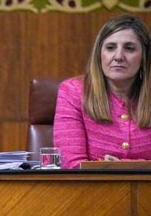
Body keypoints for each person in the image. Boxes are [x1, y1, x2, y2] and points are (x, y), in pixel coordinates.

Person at [54, 14, 151, 169]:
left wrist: (119, 166)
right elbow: (72, 164)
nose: (118, 56)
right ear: (99, 54)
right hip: (90, 191)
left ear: (144, 57)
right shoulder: (74, 92)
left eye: (129, 48)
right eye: (110, 48)